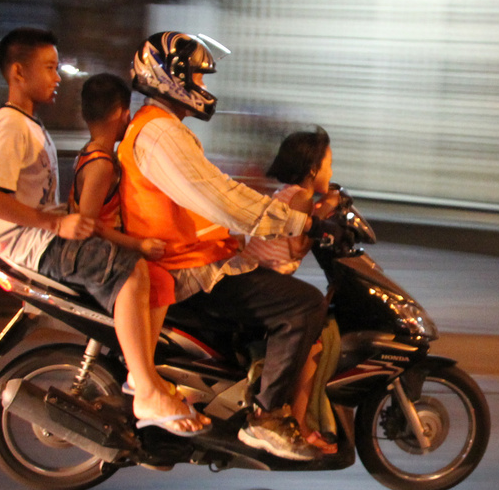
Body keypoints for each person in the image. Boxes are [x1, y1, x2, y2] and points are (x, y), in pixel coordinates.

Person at [0, 28, 208, 437]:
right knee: (130, 271)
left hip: (43, 237)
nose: (57, 76)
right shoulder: (9, 126)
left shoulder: (29, 124)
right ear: (17, 72)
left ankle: (143, 374)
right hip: (36, 246)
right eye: (48, 68)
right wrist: (55, 223)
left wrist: (61, 215)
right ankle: (145, 385)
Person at [117, 31, 342, 462]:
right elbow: (220, 198)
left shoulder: (163, 129)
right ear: (170, 78)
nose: (204, 89)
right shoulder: (160, 134)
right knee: (304, 305)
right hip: (190, 271)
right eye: (198, 79)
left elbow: (215, 196)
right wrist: (299, 220)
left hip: (202, 260)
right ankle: (267, 418)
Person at [71, 73, 179, 344]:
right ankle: (142, 366)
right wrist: (138, 245)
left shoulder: (91, 152)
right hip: (99, 251)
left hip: (107, 246)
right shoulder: (101, 165)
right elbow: (88, 225)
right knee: (162, 282)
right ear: (122, 113)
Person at [249, 127, 338, 453]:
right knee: (313, 345)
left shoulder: (286, 194)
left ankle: (298, 424)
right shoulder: (301, 197)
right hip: (267, 278)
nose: (331, 171)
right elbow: (300, 246)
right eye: (329, 163)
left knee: (312, 341)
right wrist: (325, 210)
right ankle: (296, 425)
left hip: (263, 276)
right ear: (313, 169)